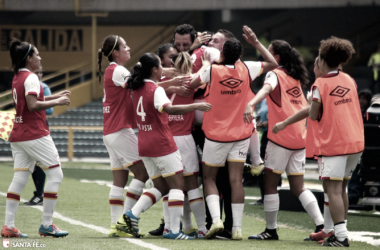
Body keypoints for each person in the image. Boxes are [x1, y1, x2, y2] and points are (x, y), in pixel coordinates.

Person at [190, 25, 277, 240]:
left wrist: (207, 64)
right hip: (241, 135)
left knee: (209, 178)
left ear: (221, 53)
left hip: (216, 134)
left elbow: (192, 85)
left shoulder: (212, 70)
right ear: (239, 54)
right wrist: (256, 43)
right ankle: (237, 228)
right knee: (236, 180)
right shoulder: (247, 68)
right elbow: (274, 64)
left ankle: (216, 220)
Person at [116, 52, 211, 240]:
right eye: (160, 66)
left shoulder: (137, 88)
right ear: (154, 69)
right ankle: (174, 230)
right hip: (161, 142)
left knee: (161, 187)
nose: (163, 69)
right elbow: (169, 108)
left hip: (144, 143)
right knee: (177, 185)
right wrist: (196, 107)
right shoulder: (155, 89)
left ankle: (131, 214)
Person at [244, 40, 324, 241]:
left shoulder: (275, 74)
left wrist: (251, 103)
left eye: (269, 52)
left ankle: (271, 230)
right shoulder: (296, 76)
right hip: (299, 137)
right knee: (299, 187)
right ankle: (322, 225)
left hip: (280, 138)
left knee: (269, 183)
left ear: (276, 57)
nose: (265, 55)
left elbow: (267, 89)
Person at [1, 39, 70, 238]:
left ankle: (9, 226)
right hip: (35, 133)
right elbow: (32, 105)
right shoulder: (31, 77)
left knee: (20, 178)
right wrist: (57, 101)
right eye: (37, 55)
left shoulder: (18, 76)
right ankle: (47, 225)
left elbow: (29, 100)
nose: (40, 58)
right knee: (56, 175)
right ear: (29, 58)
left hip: (18, 134)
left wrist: (53, 96)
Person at [308, 37, 364, 247]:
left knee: (332, 189)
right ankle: (335, 231)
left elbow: (313, 115)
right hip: (355, 142)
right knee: (342, 189)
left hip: (334, 144)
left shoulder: (319, 84)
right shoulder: (349, 79)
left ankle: (340, 236)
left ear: (322, 59)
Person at [97, 35, 151, 238]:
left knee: (119, 180)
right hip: (120, 130)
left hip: (110, 132)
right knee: (143, 174)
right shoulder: (118, 70)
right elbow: (141, 86)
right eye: (125, 46)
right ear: (116, 53)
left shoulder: (112, 70)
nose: (128, 48)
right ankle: (125, 222)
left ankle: (114, 225)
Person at [24, 65, 53, 206]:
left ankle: (40, 193)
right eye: (37, 72)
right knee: (30, 163)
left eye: (41, 72)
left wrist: (34, 106)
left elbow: (50, 110)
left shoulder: (43, 86)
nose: (39, 74)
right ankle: (38, 193)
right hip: (27, 126)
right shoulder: (27, 84)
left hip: (39, 126)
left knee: (40, 162)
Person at [348, 89, 372, 206]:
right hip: (356, 146)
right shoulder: (354, 112)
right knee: (354, 170)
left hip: (369, 148)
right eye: (360, 98)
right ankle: (353, 194)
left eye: (364, 99)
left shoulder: (370, 115)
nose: (362, 101)